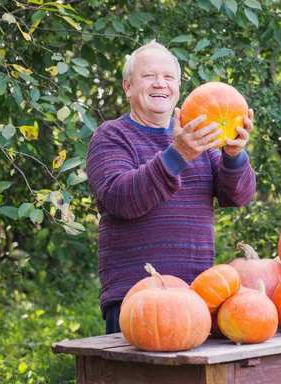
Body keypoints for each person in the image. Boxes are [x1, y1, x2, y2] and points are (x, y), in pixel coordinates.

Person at [85, 40, 256, 334]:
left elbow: (238, 195)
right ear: (128, 86)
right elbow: (121, 199)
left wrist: (233, 154)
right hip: (136, 297)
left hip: (196, 296)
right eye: (148, 76)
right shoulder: (110, 136)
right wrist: (179, 155)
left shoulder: (200, 139)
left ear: (178, 86)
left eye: (168, 77)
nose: (159, 84)